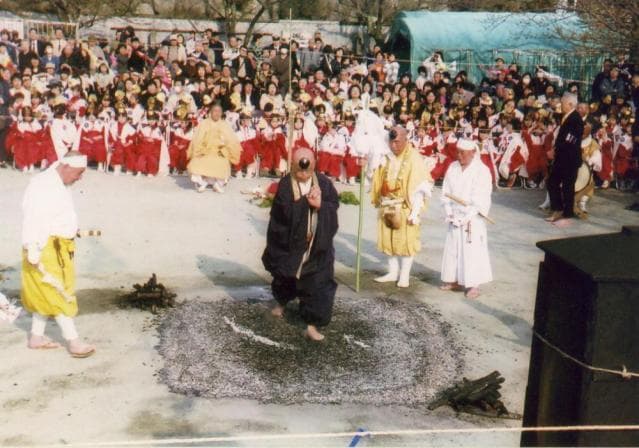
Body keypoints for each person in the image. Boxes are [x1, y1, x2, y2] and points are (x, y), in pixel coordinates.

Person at [20, 151, 95, 358]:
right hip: (44, 247)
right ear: (67, 166)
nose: (80, 178)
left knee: (44, 293)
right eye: (79, 173)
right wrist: (32, 248)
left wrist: (70, 229)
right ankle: (74, 342)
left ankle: (36, 337)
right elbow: (32, 217)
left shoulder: (59, 181)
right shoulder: (42, 185)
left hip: (59, 247)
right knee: (58, 293)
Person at [262, 148, 339, 342]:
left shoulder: (324, 183)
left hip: (316, 245)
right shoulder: (285, 185)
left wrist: (320, 205)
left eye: (308, 170)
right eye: (299, 170)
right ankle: (281, 302)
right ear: (292, 166)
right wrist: (306, 202)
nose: (304, 174)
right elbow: (283, 215)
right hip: (290, 244)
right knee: (284, 276)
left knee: (319, 283)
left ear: (314, 165)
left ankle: (311, 325)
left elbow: (333, 207)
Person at [371, 126, 432, 288]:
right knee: (387, 240)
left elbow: (422, 186)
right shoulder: (385, 156)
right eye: (391, 142)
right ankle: (392, 272)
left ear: (406, 139)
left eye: (397, 142)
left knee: (407, 241)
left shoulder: (414, 158)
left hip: (406, 206)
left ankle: (404, 275)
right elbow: (374, 176)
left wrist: (415, 212)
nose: (394, 145)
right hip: (387, 203)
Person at [440, 139, 493, 299]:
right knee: (453, 248)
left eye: (463, 152)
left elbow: (481, 199)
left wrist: (466, 217)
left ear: (473, 153)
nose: (459, 155)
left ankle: (473, 285)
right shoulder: (453, 167)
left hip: (472, 217)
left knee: (471, 251)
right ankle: (454, 280)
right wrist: (449, 212)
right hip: (454, 215)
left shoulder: (482, 170)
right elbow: (446, 191)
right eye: (458, 151)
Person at [546, 93, 584, 227]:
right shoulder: (566, 117)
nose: (560, 105)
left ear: (570, 104)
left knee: (568, 187)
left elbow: (570, 139)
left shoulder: (576, 119)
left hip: (570, 158)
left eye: (562, 103)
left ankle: (567, 214)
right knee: (552, 182)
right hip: (562, 158)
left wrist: (555, 150)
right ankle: (558, 209)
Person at [187, 102, 241, 193]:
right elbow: (198, 140)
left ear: (221, 113)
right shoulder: (204, 123)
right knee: (195, 164)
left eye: (219, 111)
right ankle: (203, 183)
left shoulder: (224, 124)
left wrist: (224, 149)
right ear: (210, 112)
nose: (217, 113)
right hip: (205, 151)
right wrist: (200, 151)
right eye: (215, 111)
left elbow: (230, 141)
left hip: (220, 152)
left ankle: (217, 184)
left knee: (223, 163)